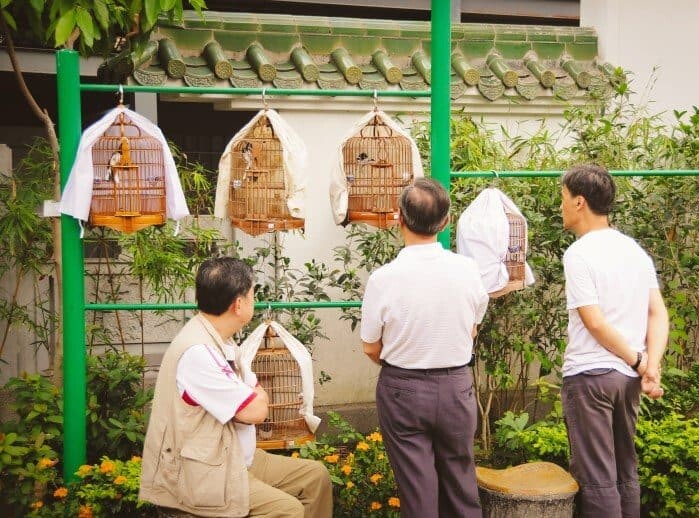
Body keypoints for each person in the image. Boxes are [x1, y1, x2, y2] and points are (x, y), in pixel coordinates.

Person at [139, 257, 332, 518]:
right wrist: (256, 398)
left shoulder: (224, 341)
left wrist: (255, 396)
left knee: (314, 476)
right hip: (206, 473)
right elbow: (255, 411)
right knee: (287, 510)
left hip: (237, 458)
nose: (255, 301)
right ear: (239, 304)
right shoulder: (199, 352)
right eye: (253, 294)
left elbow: (254, 392)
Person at [360, 177, 489, 518]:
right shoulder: (468, 270)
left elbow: (370, 347)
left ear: (398, 217)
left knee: (418, 492)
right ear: (446, 222)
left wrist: (404, 357)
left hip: (402, 388)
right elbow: (473, 327)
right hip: (455, 387)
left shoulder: (383, 279)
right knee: (461, 484)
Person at [559, 165, 668, 518]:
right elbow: (658, 313)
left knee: (597, 479)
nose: (559, 207)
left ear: (579, 202)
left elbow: (594, 322)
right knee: (625, 472)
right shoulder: (634, 250)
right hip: (626, 380)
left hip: (591, 377)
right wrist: (651, 365)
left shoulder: (579, 253)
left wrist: (641, 361)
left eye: (562, 199)